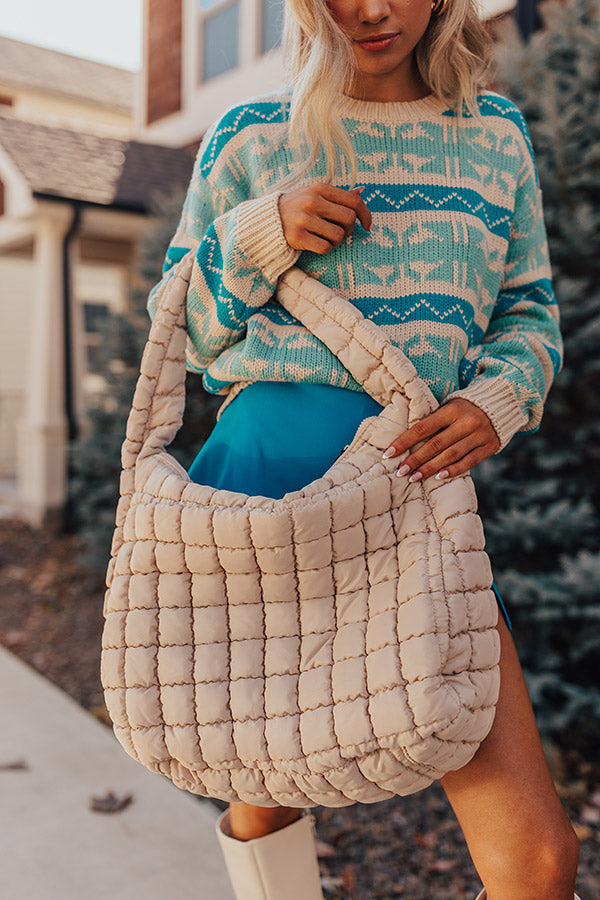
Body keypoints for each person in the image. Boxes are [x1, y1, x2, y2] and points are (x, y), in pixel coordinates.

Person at [148, 0, 581, 896]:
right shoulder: (248, 136)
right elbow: (184, 331)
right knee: (262, 790)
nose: (373, 10)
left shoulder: (493, 135)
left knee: (538, 862)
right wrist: (257, 234)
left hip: (413, 494)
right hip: (257, 496)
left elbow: (530, 316)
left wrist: (498, 397)